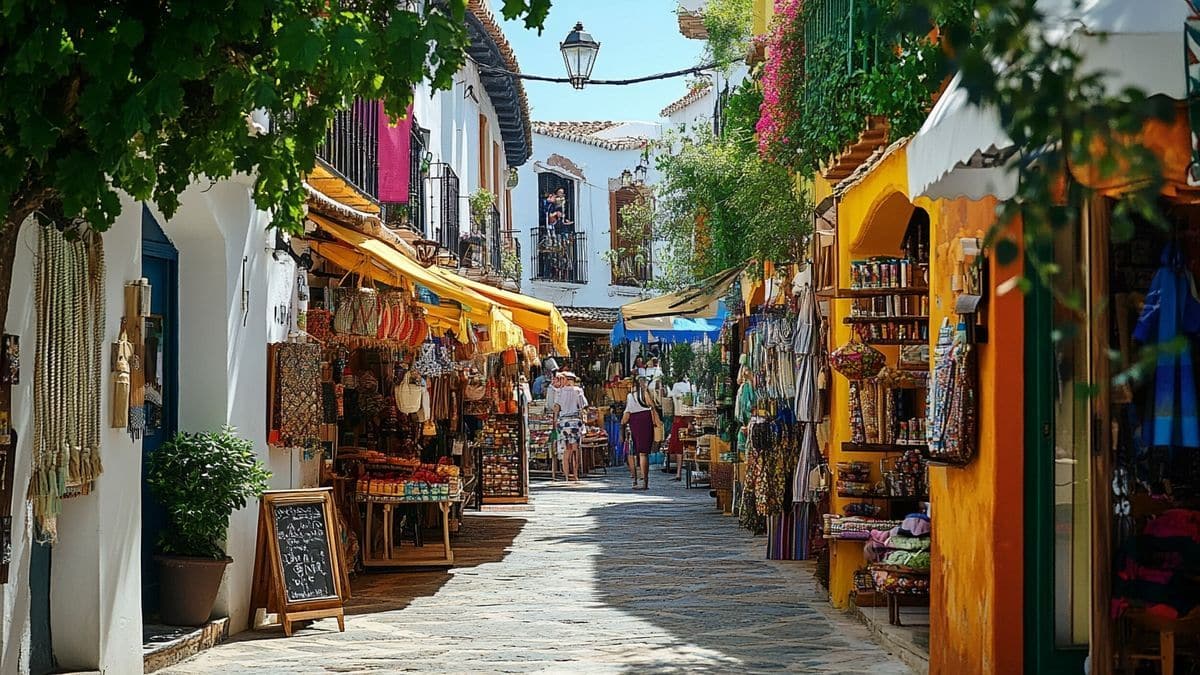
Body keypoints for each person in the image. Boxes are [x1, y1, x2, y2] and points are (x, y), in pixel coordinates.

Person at [621, 376, 661, 490]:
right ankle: (645, 482)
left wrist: (622, 424)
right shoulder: (644, 394)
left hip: (635, 422)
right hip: (645, 421)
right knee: (644, 454)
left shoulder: (630, 396)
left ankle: (635, 480)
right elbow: (651, 406)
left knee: (634, 453)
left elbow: (627, 413)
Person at [553, 371, 588, 481]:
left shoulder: (559, 392)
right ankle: (576, 474)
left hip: (563, 422)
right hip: (575, 422)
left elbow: (556, 408)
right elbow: (583, 406)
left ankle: (567, 476)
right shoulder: (578, 391)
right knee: (575, 449)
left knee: (566, 449)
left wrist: (555, 421)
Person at [668, 376, 695, 481]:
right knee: (689, 446)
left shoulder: (676, 387)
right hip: (686, 418)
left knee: (680, 447)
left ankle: (679, 473)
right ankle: (691, 472)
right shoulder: (691, 388)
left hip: (680, 418)